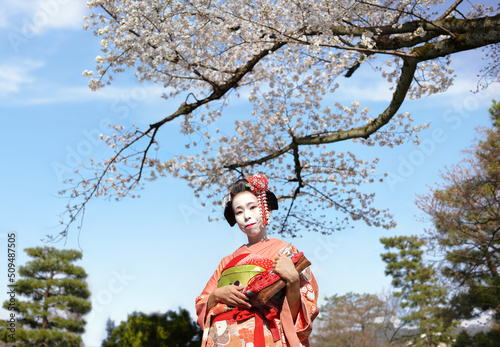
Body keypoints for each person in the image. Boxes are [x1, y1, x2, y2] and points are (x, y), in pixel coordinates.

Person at [195, 174, 319, 346]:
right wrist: (217, 295)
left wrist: (292, 279)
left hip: (265, 334)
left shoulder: (286, 252)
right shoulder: (226, 261)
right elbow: (202, 302)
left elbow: (298, 314)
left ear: (266, 209)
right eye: (239, 212)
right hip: (223, 338)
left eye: (252, 207)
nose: (246, 216)